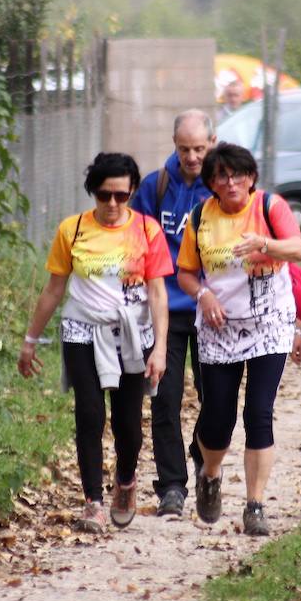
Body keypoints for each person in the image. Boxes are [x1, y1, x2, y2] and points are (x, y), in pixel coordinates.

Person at [18, 153, 170, 533]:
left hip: (132, 334)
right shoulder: (73, 230)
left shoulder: (148, 230)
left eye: (122, 195)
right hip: (82, 329)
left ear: (132, 191)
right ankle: (93, 503)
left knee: (128, 424)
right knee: (89, 414)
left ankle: (126, 480)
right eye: (105, 195)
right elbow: (54, 289)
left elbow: (157, 294)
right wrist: (30, 340)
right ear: (93, 193)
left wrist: (161, 348)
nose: (114, 204)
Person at [176, 143, 301, 536]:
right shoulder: (199, 217)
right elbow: (184, 273)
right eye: (221, 176)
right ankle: (210, 474)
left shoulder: (270, 207)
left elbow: (297, 249)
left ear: (251, 177)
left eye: (238, 175)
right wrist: (203, 294)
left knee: (259, 412)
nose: (231, 182)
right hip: (220, 326)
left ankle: (255, 505)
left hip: (269, 323)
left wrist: (263, 244)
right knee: (218, 418)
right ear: (212, 183)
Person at [130, 109, 217, 518]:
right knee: (164, 400)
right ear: (174, 145)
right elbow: (135, 242)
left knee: (215, 398)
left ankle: (204, 457)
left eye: (199, 148)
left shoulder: (222, 187)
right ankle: (171, 486)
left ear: (212, 144)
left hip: (210, 307)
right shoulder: (155, 186)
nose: (192, 156)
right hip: (163, 308)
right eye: (184, 148)